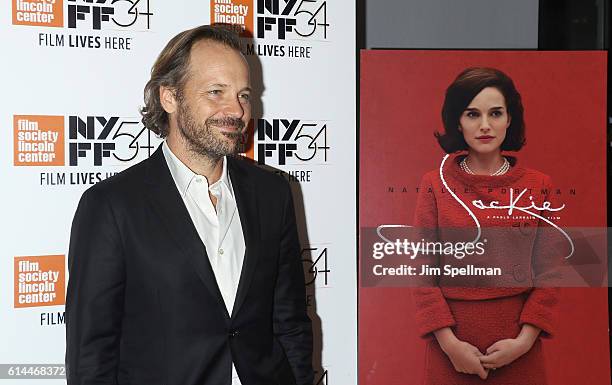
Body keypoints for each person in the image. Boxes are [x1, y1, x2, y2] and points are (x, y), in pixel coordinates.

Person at [65, 25, 313, 385]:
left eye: (244, 95)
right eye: (216, 92)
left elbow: (290, 321)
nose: (237, 110)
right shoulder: (111, 206)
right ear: (169, 97)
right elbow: (91, 357)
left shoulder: (272, 193)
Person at [412, 67, 561, 385]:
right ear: (458, 120)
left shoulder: (539, 185)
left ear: (510, 119)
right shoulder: (434, 184)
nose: (484, 125)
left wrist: (522, 343)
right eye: (472, 114)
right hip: (450, 348)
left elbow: (551, 273)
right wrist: (451, 346)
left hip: (520, 348)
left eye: (495, 113)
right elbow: (421, 271)